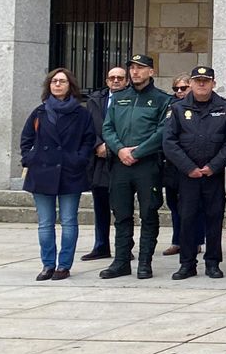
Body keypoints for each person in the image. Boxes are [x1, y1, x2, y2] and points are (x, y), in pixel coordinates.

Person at [162, 66, 226, 280]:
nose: (202, 84)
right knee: (186, 219)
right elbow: (169, 142)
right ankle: (187, 264)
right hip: (187, 176)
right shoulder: (177, 109)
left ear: (213, 83)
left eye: (206, 80)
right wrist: (189, 168)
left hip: (212, 176)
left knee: (214, 219)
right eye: (197, 81)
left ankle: (213, 263)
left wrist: (214, 166)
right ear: (192, 83)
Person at [21, 68, 98, 280]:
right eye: (54, 81)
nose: (57, 85)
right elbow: (26, 139)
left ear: (69, 86)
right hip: (42, 172)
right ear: (49, 85)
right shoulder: (40, 112)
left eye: (62, 81)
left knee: (68, 220)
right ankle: (47, 265)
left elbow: (88, 140)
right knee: (45, 222)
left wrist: (78, 159)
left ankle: (63, 265)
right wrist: (30, 158)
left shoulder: (81, 114)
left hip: (69, 172)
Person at [100, 55, 171, 280]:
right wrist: (120, 150)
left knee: (149, 213)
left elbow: (162, 132)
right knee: (121, 214)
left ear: (151, 71)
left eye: (141, 68)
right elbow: (108, 128)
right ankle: (121, 261)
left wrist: (138, 152)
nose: (135, 72)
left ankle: (144, 262)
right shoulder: (120, 98)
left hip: (147, 165)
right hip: (120, 164)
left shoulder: (162, 100)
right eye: (132, 68)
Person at [81, 65, 126, 262]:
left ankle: (124, 247)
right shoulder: (95, 100)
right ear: (107, 81)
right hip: (98, 160)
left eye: (120, 78)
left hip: (123, 159)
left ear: (126, 81)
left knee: (122, 207)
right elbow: (87, 127)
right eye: (112, 78)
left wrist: (116, 147)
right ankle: (101, 245)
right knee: (100, 205)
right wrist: (98, 145)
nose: (116, 81)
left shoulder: (132, 99)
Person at [159, 74, 190, 258]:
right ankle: (177, 240)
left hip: (193, 165)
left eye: (183, 88)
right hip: (171, 164)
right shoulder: (170, 107)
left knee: (191, 207)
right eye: (176, 89)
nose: (179, 92)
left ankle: (194, 241)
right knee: (173, 204)